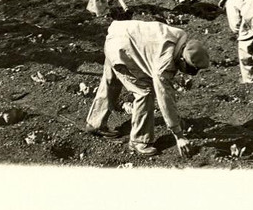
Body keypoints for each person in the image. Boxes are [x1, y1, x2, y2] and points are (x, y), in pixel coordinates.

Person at [85, 19, 210, 157]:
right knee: (145, 92)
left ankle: (95, 123)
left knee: (112, 80)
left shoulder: (180, 35)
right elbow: (165, 98)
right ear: (182, 59)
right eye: (187, 68)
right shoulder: (165, 64)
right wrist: (178, 134)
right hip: (122, 47)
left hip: (118, 33)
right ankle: (139, 141)